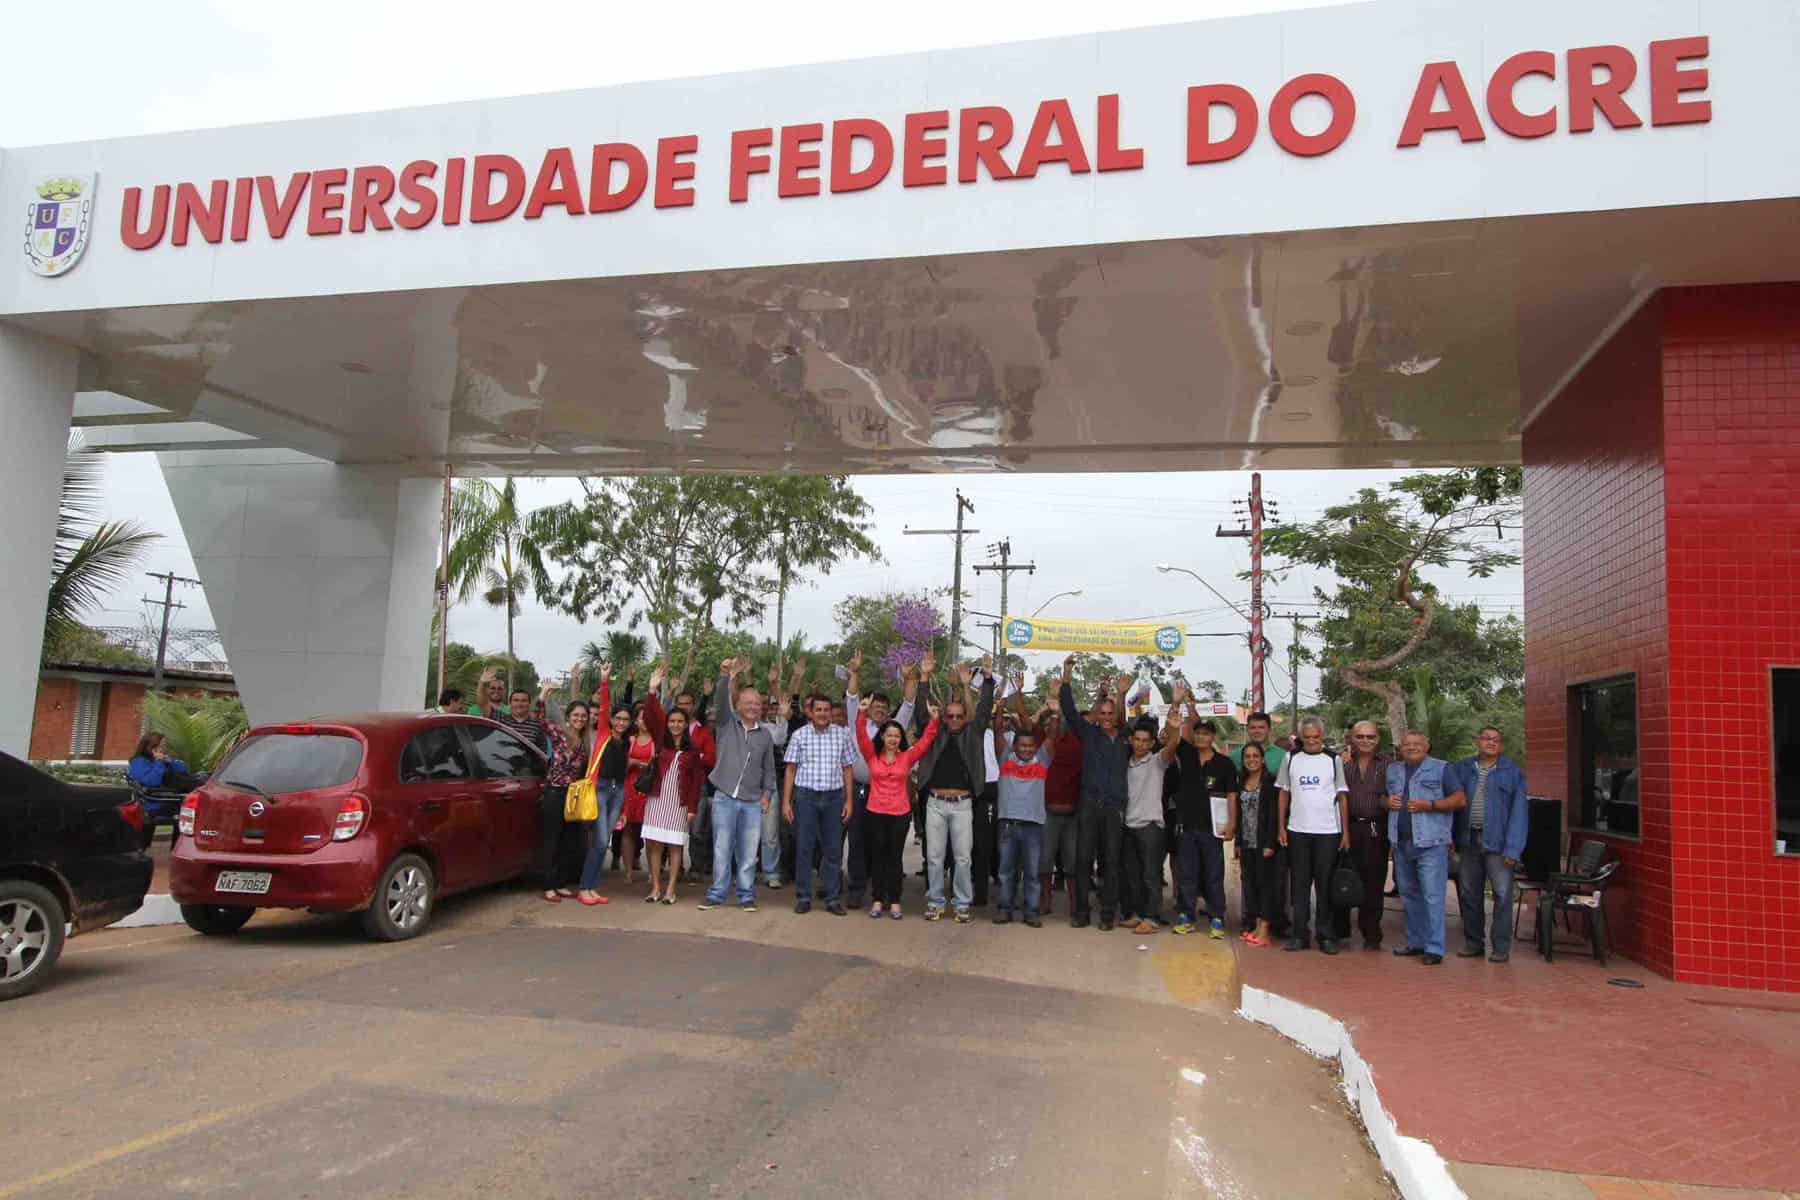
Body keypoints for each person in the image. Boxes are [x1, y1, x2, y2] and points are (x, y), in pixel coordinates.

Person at [700, 657, 787, 913]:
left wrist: (768, 794)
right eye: (748, 702)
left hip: (752, 801)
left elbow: (769, 769)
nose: (753, 706)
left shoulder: (765, 736)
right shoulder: (727, 725)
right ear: (737, 705)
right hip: (724, 797)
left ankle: (746, 895)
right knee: (722, 847)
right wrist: (726, 676)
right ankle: (716, 893)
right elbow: (720, 701)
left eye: (757, 703)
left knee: (749, 852)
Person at [914, 658, 995, 923]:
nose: (955, 720)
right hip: (935, 803)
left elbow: (983, 710)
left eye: (960, 716)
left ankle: (962, 904)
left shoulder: (974, 733)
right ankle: (936, 901)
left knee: (963, 859)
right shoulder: (935, 733)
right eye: (950, 716)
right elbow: (921, 715)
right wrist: (924, 679)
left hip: (963, 805)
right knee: (934, 858)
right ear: (945, 718)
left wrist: (988, 678)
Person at [850, 682, 939, 919]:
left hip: (899, 814)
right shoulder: (872, 755)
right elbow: (860, 735)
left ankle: (895, 900)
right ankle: (878, 899)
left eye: (896, 736)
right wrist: (861, 712)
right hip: (876, 811)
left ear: (900, 739)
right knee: (878, 857)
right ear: (882, 737)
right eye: (888, 735)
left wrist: (933, 720)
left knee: (894, 858)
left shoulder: (907, 757)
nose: (892, 739)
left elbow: (926, 741)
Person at [1058, 657, 1134, 931]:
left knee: (1112, 862)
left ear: (1116, 716)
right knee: (1082, 860)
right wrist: (1066, 675)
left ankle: (1106, 914)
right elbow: (1068, 710)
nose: (1105, 718)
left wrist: (1122, 694)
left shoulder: (1127, 738)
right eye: (1101, 713)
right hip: (1089, 806)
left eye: (1109, 714)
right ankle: (1080, 912)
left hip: (1114, 809)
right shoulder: (1088, 734)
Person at [839, 652, 916, 909]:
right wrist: (854, 673)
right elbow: (851, 697)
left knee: (884, 846)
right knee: (858, 841)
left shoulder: (894, 729)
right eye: (875, 707)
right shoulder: (855, 724)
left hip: (888, 795)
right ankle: (857, 888)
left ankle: (883, 892)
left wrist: (908, 679)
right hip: (861, 791)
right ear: (868, 708)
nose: (880, 711)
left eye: (884, 708)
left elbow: (908, 703)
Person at [1447, 726, 1528, 963]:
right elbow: (1453, 806)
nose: (1491, 743)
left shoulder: (1512, 772)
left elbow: (1519, 813)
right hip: (1468, 840)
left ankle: (1501, 947)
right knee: (1470, 893)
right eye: (1486, 738)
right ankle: (1474, 943)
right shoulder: (1462, 769)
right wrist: (1451, 838)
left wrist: (1514, 848)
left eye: (1496, 740)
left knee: (1502, 895)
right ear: (1477, 741)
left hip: (1499, 844)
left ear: (1500, 745)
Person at [1386, 729, 1467, 966]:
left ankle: (1434, 948)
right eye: (1407, 744)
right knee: (1409, 896)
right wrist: (1385, 801)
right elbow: (1384, 798)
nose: (1412, 747)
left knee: (1433, 897)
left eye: (1417, 743)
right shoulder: (1394, 770)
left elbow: (1460, 800)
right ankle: (1416, 942)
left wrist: (1430, 804)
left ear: (1427, 745)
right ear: (1400, 747)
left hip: (1431, 843)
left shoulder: (1443, 768)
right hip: (1401, 843)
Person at [1276, 717, 1351, 955]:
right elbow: (1283, 794)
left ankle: (1326, 935)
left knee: (1325, 885)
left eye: (1315, 737)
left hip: (1328, 832)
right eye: (1306, 737)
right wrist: (1281, 826)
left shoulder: (1333, 759)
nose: (1311, 741)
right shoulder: (1291, 758)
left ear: (1322, 736)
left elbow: (1342, 796)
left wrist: (1345, 832)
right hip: (1297, 831)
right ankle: (1300, 935)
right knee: (1299, 886)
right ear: (1301, 737)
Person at [782, 690, 857, 916]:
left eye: (826, 710)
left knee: (833, 850)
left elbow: (847, 768)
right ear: (810, 712)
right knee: (804, 848)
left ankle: (833, 898)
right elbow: (791, 769)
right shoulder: (799, 735)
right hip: (806, 797)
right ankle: (803, 897)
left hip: (834, 798)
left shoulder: (842, 735)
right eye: (819, 710)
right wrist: (786, 802)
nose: (823, 714)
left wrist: (849, 800)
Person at [639, 669, 708, 905]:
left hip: (679, 804)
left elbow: (697, 783)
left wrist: (691, 808)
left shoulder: (694, 750)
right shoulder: (660, 740)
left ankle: (670, 890)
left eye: (680, 721)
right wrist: (652, 690)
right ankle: (655, 887)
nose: (676, 725)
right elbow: (650, 716)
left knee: (676, 846)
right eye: (672, 721)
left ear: (685, 723)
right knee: (655, 846)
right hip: (657, 800)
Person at [1171, 709, 1238, 938]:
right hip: (1187, 827)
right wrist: (1180, 706)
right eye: (1197, 733)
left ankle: (1217, 917)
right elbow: (1174, 735)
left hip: (1213, 829)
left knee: (1213, 874)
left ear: (1213, 737)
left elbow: (1231, 795)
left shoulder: (1224, 764)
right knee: (1187, 874)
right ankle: (1186, 916)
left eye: (1206, 734)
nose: (1201, 738)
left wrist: (1231, 824)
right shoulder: (1186, 755)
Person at [1119, 711, 1180, 935]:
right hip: (1129, 825)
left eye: (1146, 741)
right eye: (1137, 740)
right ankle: (1136, 915)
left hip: (1151, 828)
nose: (1141, 744)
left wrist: (1174, 728)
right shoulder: (1125, 764)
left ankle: (1152, 918)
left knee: (1151, 875)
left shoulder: (1157, 762)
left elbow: (1172, 745)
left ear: (1152, 743)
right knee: (1132, 875)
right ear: (1131, 740)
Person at [1333, 720, 1393, 951]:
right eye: (1360, 737)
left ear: (1377, 739)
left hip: (1376, 829)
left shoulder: (1389, 765)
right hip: (1346, 829)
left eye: (1370, 737)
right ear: (1352, 739)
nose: (1365, 741)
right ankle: (1340, 931)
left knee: (1374, 883)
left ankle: (1371, 934)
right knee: (1343, 878)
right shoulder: (1342, 765)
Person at [994, 711, 1054, 927]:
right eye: (1022, 745)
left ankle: (1031, 911)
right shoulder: (1005, 759)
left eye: (1030, 746)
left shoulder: (1042, 761)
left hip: (1034, 826)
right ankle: (1004, 909)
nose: (1027, 749)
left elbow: (1052, 736)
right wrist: (998, 715)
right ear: (1015, 746)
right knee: (1006, 871)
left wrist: (1055, 713)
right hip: (1008, 825)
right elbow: (998, 732)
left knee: (1032, 872)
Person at [1234, 710, 1289, 935]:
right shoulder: (1236, 758)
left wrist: (1276, 833)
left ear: (1269, 729)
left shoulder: (1283, 756)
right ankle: (1252, 920)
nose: (1257, 731)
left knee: (1274, 881)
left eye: (1261, 727)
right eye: (1253, 727)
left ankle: (1276, 922)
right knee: (1250, 881)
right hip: (1246, 836)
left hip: (1271, 833)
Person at [540, 698, 594, 904]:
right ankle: (548, 885)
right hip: (554, 792)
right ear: (568, 718)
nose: (580, 719)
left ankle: (560, 882)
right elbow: (540, 719)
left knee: (569, 841)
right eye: (576, 715)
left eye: (583, 716)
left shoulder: (586, 741)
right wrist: (544, 696)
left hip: (574, 796)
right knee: (552, 840)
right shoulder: (559, 734)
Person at [1231, 741, 1280, 946]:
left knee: (1265, 884)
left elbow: (1273, 815)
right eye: (1247, 757)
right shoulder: (1241, 781)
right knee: (1250, 885)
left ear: (1262, 759)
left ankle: (1265, 929)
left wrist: (1270, 843)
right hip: (1247, 842)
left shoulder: (1270, 782)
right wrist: (1238, 842)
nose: (1251, 760)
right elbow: (1240, 814)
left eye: (1255, 756)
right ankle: (1255, 924)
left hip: (1264, 843)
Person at [1038, 703, 1082, 917]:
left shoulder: (1078, 744)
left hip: (1072, 813)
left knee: (1072, 860)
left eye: (1059, 721)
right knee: (1045, 858)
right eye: (1053, 722)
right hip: (1049, 813)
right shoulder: (1046, 747)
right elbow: (1048, 733)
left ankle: (1074, 902)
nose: (1055, 725)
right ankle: (1046, 898)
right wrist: (1055, 709)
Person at [619, 699, 658, 886]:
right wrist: (634, 763)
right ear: (636, 721)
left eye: (647, 719)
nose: (644, 722)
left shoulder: (656, 742)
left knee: (649, 832)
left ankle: (653, 872)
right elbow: (622, 765)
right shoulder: (630, 740)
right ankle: (627, 871)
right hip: (630, 787)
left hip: (648, 789)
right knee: (628, 830)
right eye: (642, 718)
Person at [127, 732, 201, 791]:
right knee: (169, 776)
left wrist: (170, 762)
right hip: (159, 801)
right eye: (161, 746)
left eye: (164, 746)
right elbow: (153, 782)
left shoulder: (162, 759)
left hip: (174, 794)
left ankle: (203, 783)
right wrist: (159, 761)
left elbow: (184, 770)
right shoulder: (137, 763)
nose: (163, 749)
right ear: (150, 747)